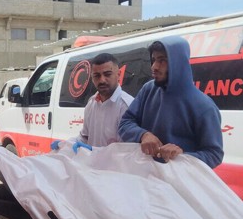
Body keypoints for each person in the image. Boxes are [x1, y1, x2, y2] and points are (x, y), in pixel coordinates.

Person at [118, 36, 223, 167]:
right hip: (144, 175)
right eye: (153, 60)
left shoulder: (204, 106)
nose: (154, 67)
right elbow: (125, 123)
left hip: (178, 183)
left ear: (178, 63)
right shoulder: (148, 90)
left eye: (162, 61)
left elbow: (214, 154)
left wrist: (181, 156)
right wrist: (143, 135)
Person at [50, 52, 134, 153]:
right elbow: (84, 137)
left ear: (119, 74)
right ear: (92, 78)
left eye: (107, 74)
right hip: (91, 166)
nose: (102, 80)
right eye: (97, 76)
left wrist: (93, 150)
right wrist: (65, 145)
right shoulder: (92, 103)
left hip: (114, 168)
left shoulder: (127, 106)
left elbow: (125, 151)